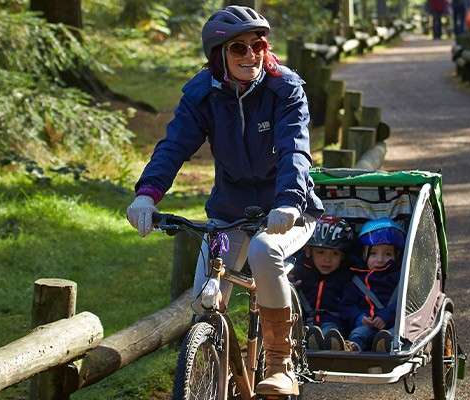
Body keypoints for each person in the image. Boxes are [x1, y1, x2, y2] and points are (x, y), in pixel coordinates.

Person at [125, 5, 323, 396]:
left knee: (266, 253)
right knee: (204, 302)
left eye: (258, 45)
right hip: (229, 213)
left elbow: (294, 151)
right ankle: (221, 369)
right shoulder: (202, 94)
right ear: (219, 55)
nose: (252, 56)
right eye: (239, 49)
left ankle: (281, 365)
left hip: (288, 209)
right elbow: (174, 146)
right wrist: (147, 195)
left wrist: (288, 201)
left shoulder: (285, 88)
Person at [340, 218, 405, 352]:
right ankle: (353, 348)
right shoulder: (357, 280)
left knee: (394, 335)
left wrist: (386, 316)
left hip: (394, 324)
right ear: (364, 255)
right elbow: (346, 305)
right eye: (373, 253)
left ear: (397, 255)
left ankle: (384, 346)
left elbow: (406, 302)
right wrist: (359, 318)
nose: (380, 259)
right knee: (358, 333)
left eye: (387, 254)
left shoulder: (399, 277)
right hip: (367, 324)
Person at [288, 216, 353, 351]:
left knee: (330, 330)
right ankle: (308, 341)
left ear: (343, 256)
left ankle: (329, 344)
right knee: (300, 329)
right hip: (302, 321)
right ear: (308, 251)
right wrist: (290, 285)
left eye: (335, 254)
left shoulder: (347, 277)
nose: (327, 260)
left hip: (333, 321)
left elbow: (350, 305)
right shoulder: (298, 272)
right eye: (320, 252)